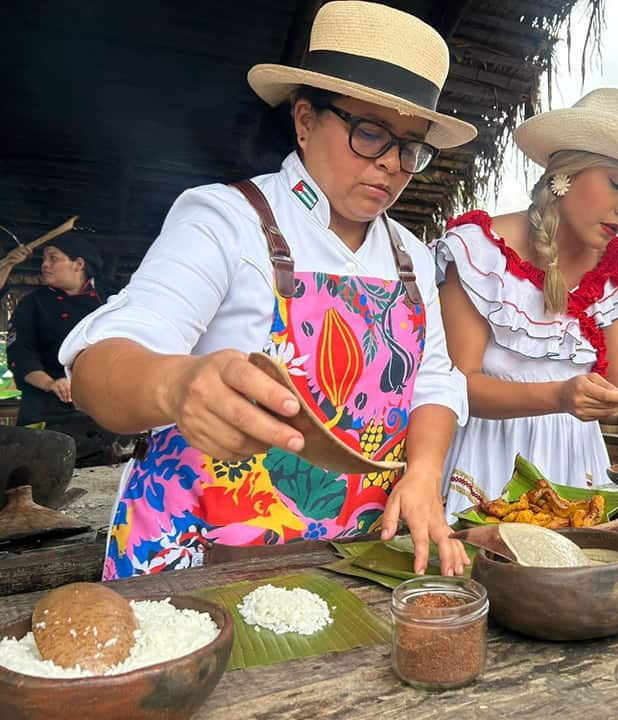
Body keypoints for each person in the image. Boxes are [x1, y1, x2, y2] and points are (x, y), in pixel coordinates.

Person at [59, 1, 476, 580]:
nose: (389, 165)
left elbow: (435, 375)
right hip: (204, 556)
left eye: (409, 148)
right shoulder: (226, 219)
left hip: (354, 558)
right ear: (304, 120)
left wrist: (425, 471)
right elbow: (97, 367)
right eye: (370, 133)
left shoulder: (410, 253)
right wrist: (176, 385)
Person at [433, 88, 618, 519]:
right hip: (488, 462)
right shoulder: (478, 252)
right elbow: (455, 386)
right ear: (566, 174)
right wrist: (558, 396)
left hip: (578, 468)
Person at [6, 235, 121, 465]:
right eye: (44, 259)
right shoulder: (33, 304)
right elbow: (20, 353)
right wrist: (51, 383)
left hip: (100, 417)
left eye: (53, 258)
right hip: (45, 414)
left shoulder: (110, 302)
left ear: (78, 264)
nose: (44, 264)